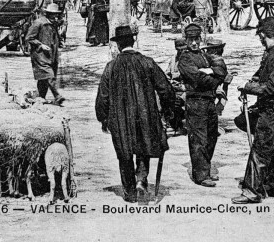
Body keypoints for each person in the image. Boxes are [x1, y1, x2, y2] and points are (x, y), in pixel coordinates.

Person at [95, 25, 175, 202]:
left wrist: (103, 118)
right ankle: (142, 179)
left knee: (124, 153)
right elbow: (166, 89)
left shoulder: (111, 67)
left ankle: (130, 192)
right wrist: (169, 111)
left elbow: (103, 96)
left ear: (118, 46)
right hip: (145, 115)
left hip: (120, 118)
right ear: (134, 41)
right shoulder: (147, 62)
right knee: (143, 147)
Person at [233, 17, 274, 204]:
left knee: (261, 149)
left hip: (272, 110)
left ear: (263, 35)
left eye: (260, 35)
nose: (259, 39)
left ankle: (251, 191)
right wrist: (252, 83)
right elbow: (261, 77)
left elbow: (272, 87)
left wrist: (249, 88)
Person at [177, 23, 228, 187]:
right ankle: (201, 174)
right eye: (190, 40)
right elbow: (197, 79)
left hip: (209, 101)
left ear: (200, 39)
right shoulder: (184, 58)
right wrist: (212, 75)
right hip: (195, 101)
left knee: (212, 136)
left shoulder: (206, 55)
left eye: (196, 39)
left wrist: (211, 72)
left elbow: (222, 71)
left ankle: (205, 169)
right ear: (186, 40)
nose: (194, 43)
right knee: (199, 138)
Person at [25, 3, 65, 105]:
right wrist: (41, 45)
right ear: (48, 14)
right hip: (40, 55)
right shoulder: (38, 23)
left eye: (56, 15)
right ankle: (57, 96)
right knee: (49, 75)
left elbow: (55, 37)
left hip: (52, 55)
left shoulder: (54, 24)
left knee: (43, 79)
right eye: (53, 15)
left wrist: (60, 41)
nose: (55, 17)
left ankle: (40, 98)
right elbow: (29, 38)